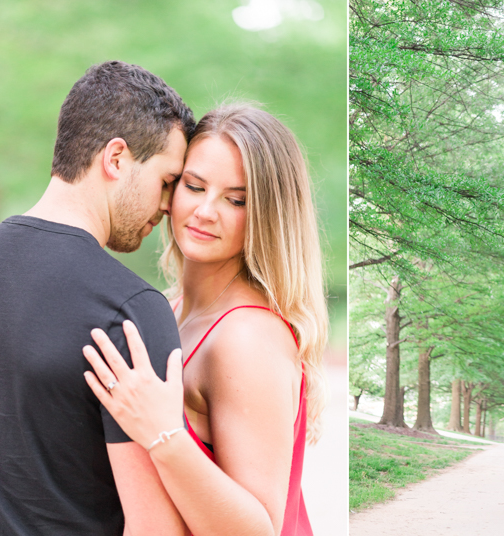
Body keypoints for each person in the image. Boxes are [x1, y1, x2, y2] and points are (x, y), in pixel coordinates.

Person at [0, 61, 196, 536]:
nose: (169, 206)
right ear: (117, 158)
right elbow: (155, 528)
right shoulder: (129, 310)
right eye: (167, 180)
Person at [83, 104, 329, 536]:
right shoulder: (166, 308)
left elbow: (260, 529)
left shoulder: (248, 336)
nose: (205, 211)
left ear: (268, 216)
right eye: (194, 187)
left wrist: (164, 434)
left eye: (236, 199)